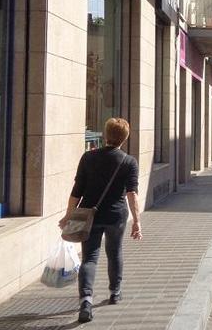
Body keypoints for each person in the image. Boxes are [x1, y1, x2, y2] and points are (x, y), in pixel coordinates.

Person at [60, 118, 141, 323]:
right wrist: (137, 221)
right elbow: (132, 194)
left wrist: (69, 215)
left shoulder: (88, 158)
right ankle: (115, 292)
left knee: (89, 258)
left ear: (106, 135)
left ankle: (86, 300)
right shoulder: (128, 162)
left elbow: (76, 192)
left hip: (90, 215)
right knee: (114, 253)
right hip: (116, 216)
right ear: (125, 137)